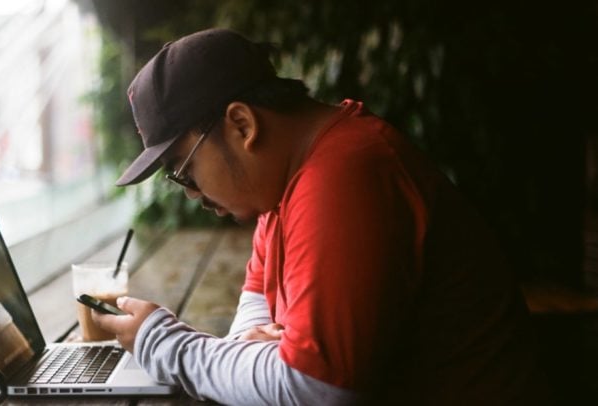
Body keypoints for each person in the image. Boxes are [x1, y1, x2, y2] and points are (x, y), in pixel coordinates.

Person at [92, 28, 549, 405]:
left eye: (185, 169)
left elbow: (316, 388)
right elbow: (254, 320)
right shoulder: (278, 192)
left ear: (242, 126)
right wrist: (252, 360)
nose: (191, 193)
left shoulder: (347, 174)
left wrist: (166, 344)